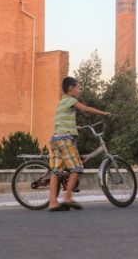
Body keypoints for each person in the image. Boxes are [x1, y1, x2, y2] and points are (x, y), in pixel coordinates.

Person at [48, 76, 110, 212]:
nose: (79, 90)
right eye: (78, 87)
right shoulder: (71, 100)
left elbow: (62, 121)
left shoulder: (60, 103)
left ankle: (52, 202)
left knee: (56, 171)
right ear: (71, 88)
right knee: (76, 168)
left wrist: (75, 126)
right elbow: (85, 108)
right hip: (65, 139)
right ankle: (67, 197)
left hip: (56, 139)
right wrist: (103, 113)